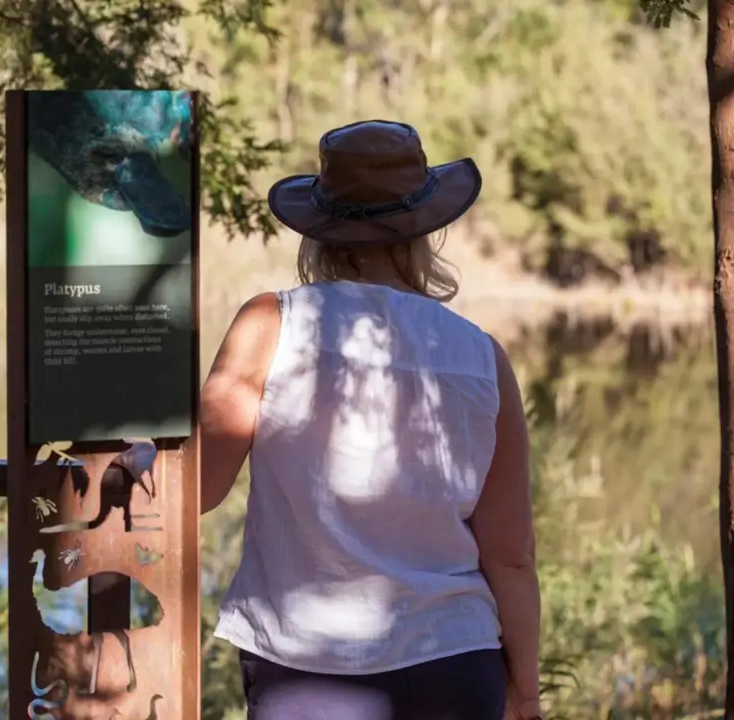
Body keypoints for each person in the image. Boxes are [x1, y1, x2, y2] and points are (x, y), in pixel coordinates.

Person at [199, 121, 543, 720]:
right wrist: (526, 691)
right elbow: (511, 555)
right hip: (456, 660)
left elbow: (195, 487)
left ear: (320, 232)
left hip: (307, 667)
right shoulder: (483, 358)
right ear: (424, 231)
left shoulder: (270, 325)